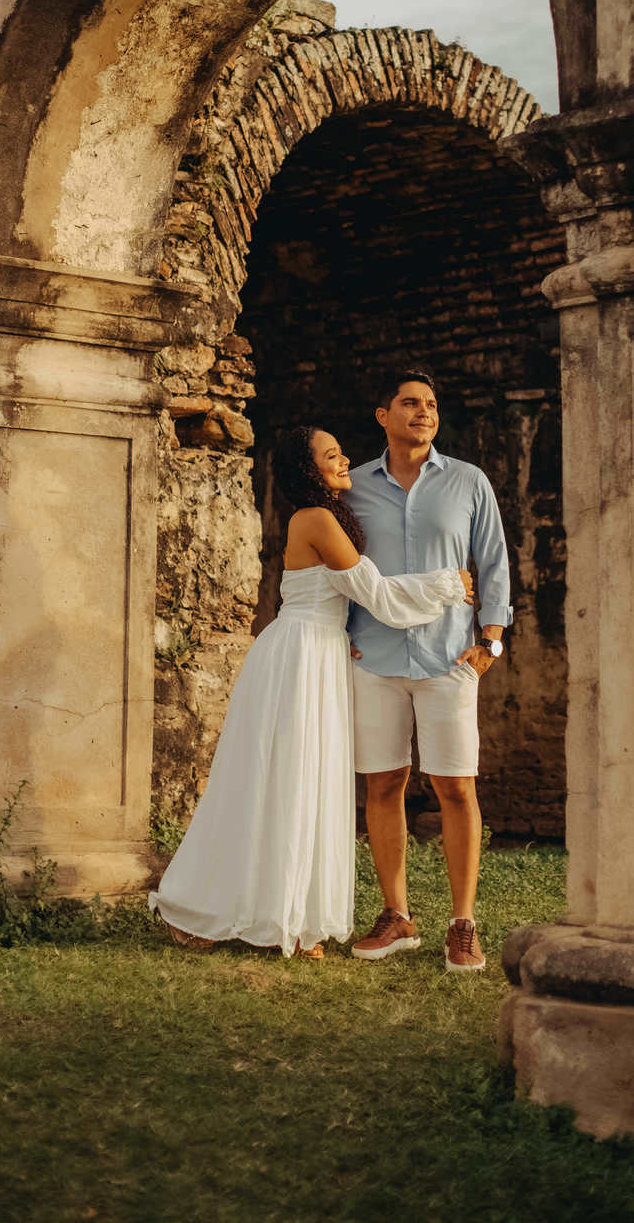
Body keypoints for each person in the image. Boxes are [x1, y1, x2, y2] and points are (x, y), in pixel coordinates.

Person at [149, 425, 473, 959]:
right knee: (284, 778)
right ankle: (222, 909)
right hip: (299, 657)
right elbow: (377, 595)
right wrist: (449, 585)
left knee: (308, 778)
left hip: (319, 650)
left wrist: (342, 638)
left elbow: (345, 597)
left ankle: (291, 915)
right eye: (331, 455)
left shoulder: (324, 516)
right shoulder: (318, 519)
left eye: (340, 450)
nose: (344, 459)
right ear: (309, 470)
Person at [345, 369, 511, 973]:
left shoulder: (468, 481)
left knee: (456, 786)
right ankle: (396, 916)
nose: (424, 412)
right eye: (410, 403)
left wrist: (490, 640)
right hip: (375, 657)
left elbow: (492, 561)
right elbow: (337, 566)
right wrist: (343, 635)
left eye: (431, 405)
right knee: (383, 785)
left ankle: (462, 924)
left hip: (449, 657)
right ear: (382, 415)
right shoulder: (353, 487)